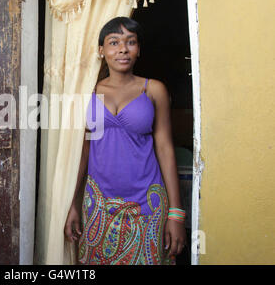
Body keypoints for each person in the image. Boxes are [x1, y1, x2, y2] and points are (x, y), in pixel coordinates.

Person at [64, 17, 186, 265]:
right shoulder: (88, 93)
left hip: (147, 204)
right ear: (101, 50)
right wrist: (71, 203)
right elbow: (83, 151)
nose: (123, 49)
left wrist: (176, 213)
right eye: (114, 42)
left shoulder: (153, 90)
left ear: (138, 49)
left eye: (130, 42)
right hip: (98, 205)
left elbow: (165, 148)